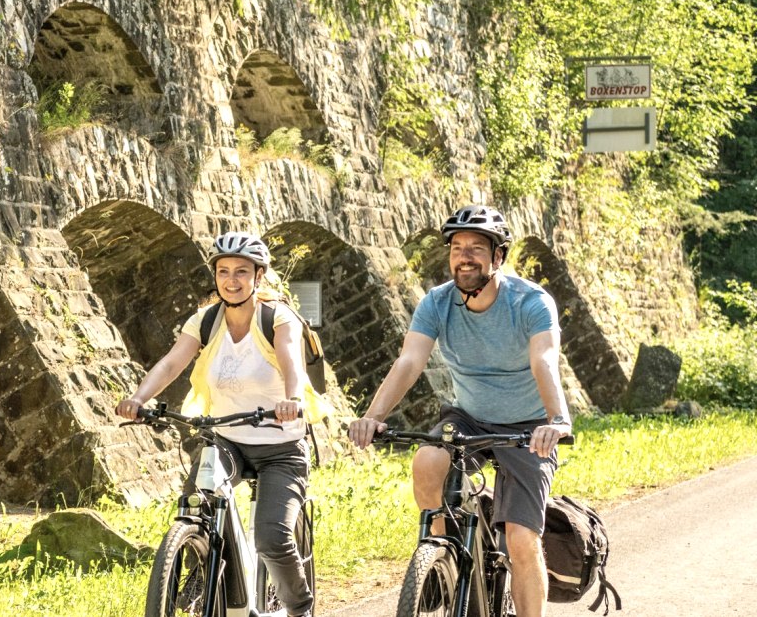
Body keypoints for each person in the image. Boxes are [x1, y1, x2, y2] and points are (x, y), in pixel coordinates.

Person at [346, 205, 574, 617]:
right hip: (468, 416)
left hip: (528, 426)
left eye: (476, 248)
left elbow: (544, 360)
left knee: (521, 541)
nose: (464, 256)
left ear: (497, 257)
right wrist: (373, 415)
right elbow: (409, 362)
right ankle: (443, 553)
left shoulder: (530, 302)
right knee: (426, 461)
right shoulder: (437, 302)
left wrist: (556, 420)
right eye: (457, 247)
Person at [116, 231, 324, 617]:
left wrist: (293, 400)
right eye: (224, 271)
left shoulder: (278, 317)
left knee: (272, 539)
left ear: (258, 277)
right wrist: (140, 398)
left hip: (280, 447)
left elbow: (292, 364)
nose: (231, 280)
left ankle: (300, 608)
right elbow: (172, 362)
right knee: (197, 506)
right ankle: (201, 564)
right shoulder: (206, 320)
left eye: (241, 272)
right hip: (226, 440)